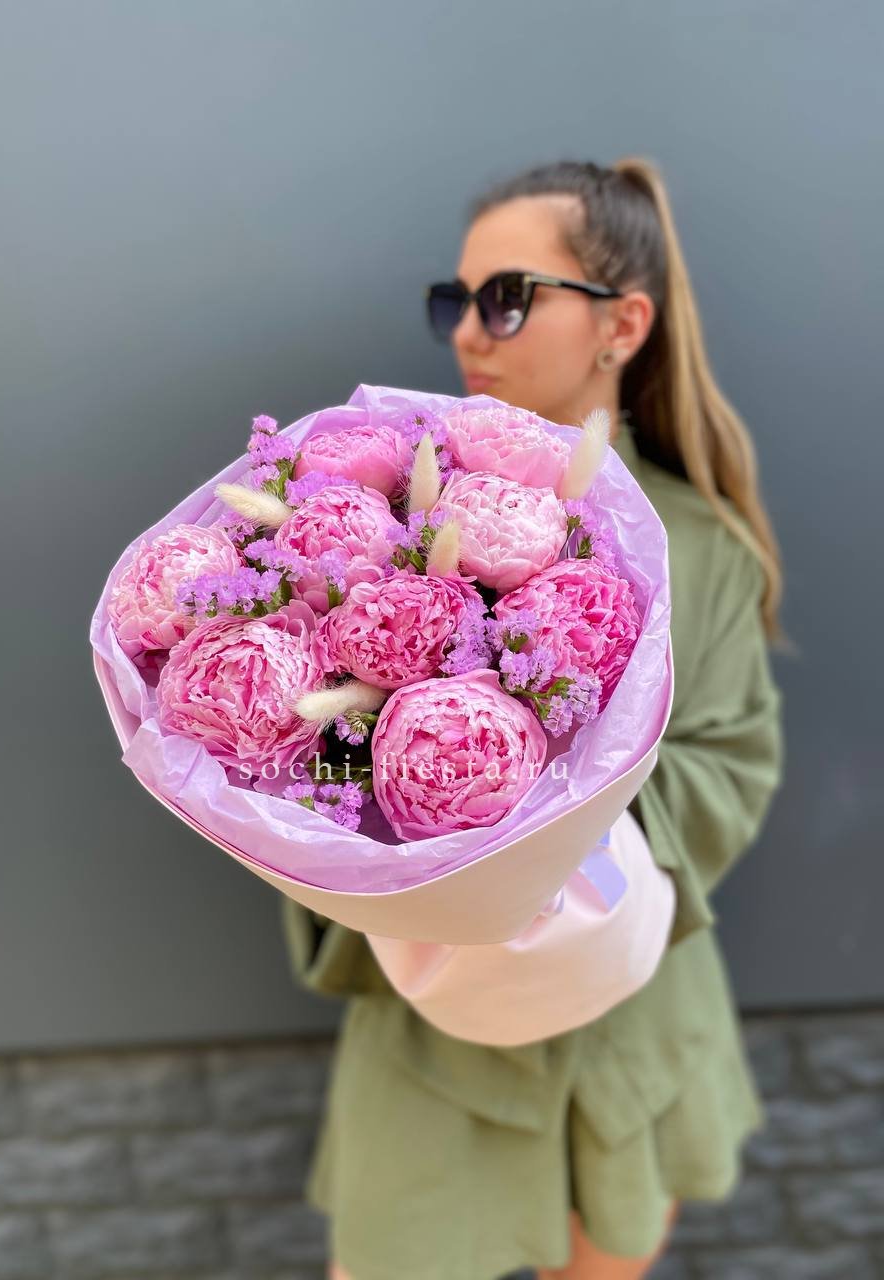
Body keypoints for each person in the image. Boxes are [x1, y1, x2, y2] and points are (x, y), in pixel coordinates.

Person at [280, 156, 786, 1280]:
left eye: (506, 297)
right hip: (432, 1028)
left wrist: (543, 790)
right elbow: (305, 765)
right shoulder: (373, 522)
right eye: (453, 300)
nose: (470, 330)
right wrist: (352, 772)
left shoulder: (703, 549)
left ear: (623, 324)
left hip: (629, 1025)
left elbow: (733, 767)